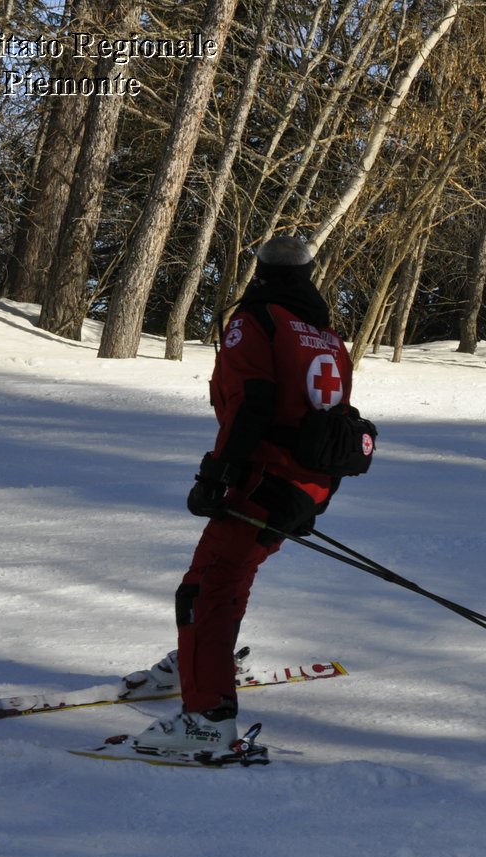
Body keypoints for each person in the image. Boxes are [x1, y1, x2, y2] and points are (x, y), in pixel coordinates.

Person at [136, 235, 357, 756]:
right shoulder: (327, 335)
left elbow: (250, 404)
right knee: (229, 576)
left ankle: (206, 718)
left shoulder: (255, 322)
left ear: (259, 270)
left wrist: (217, 475)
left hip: (262, 479)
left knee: (205, 589)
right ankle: (206, 659)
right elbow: (336, 421)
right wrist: (313, 498)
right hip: (310, 482)